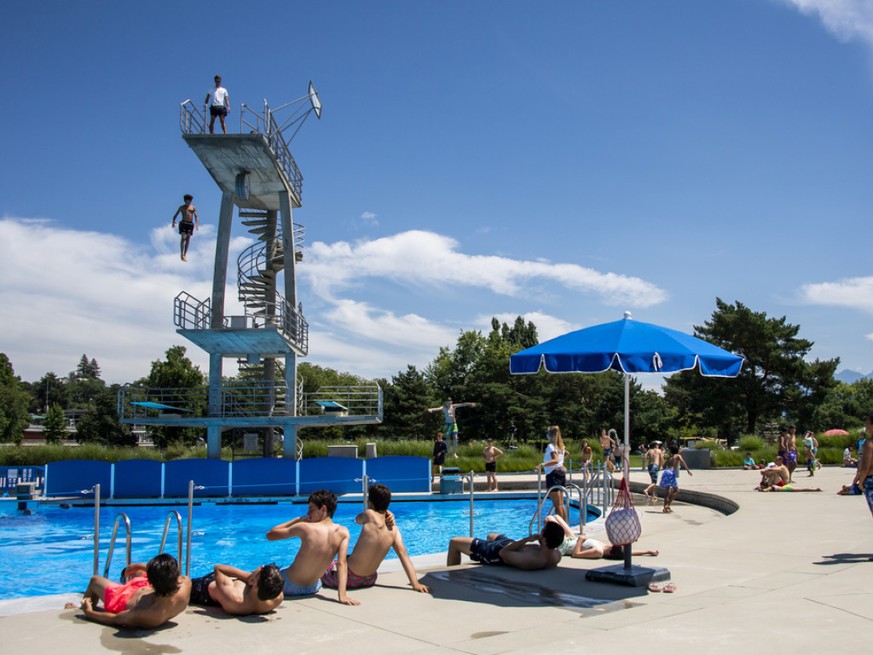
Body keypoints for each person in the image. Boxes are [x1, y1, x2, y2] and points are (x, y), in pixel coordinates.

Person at [321, 484, 430, 595]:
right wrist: (415, 583)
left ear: (370, 503)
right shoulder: (394, 530)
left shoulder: (369, 515)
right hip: (370, 579)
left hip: (350, 578)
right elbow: (404, 556)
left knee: (323, 568)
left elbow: (357, 520)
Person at [266, 489, 358, 605]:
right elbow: (342, 563)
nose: (308, 514)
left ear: (323, 509)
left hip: (288, 586)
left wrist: (297, 520)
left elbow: (270, 535)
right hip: (313, 587)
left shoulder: (304, 527)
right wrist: (342, 595)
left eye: (311, 509)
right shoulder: (343, 532)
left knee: (265, 573)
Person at [65, 553, 190, 629]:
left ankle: (82, 606)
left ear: (152, 582)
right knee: (139, 572)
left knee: (94, 580)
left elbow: (115, 619)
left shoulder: (148, 613)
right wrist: (137, 566)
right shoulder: (185, 583)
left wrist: (89, 613)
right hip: (148, 591)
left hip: (122, 599)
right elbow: (165, 572)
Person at [446, 520, 564, 570]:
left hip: (493, 552)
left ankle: (450, 575)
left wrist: (525, 540)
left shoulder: (532, 560)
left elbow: (503, 553)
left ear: (543, 539)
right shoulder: (556, 555)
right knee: (491, 535)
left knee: (454, 542)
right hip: (511, 544)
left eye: (542, 532)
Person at [188, 563, 283, 615]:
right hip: (235, 584)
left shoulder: (235, 598)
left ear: (253, 583)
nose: (262, 566)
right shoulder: (276, 598)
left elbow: (218, 568)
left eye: (262, 570)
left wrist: (248, 576)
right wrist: (253, 578)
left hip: (203, 589)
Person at [851, 413, 873, 555]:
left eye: (867, 422)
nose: (865, 425)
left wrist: (860, 482)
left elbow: (865, 466)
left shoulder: (869, 443)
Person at [535, 425, 568, 520]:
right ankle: (565, 525)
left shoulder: (551, 446)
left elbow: (555, 460)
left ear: (550, 435)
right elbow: (560, 458)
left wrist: (542, 465)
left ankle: (561, 528)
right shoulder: (561, 446)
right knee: (561, 504)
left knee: (557, 505)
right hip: (560, 474)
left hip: (553, 475)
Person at [659, 445, 692, 513]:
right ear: (677, 450)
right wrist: (688, 470)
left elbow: (664, 466)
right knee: (676, 490)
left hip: (666, 472)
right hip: (671, 472)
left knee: (668, 492)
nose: (681, 450)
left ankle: (665, 508)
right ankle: (668, 505)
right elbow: (683, 462)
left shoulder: (670, 457)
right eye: (680, 449)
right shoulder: (677, 455)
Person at [171, 194, 199, 262]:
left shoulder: (193, 208)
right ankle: (181, 253)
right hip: (183, 223)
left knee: (188, 238)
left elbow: (196, 216)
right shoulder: (181, 207)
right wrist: (173, 222)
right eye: (186, 201)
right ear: (184, 201)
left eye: (189, 202)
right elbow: (175, 215)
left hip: (189, 224)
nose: (188, 203)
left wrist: (197, 224)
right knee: (183, 237)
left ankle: (185, 254)